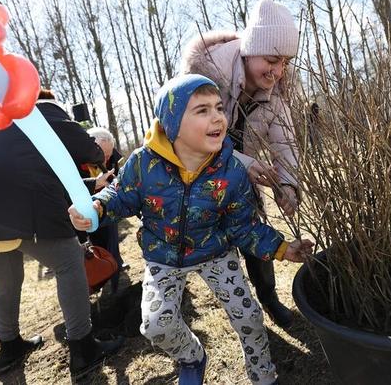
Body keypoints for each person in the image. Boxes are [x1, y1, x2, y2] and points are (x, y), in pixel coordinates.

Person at [68, 75, 313, 385]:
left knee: (249, 318)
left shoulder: (231, 171)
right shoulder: (143, 164)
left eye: (219, 108)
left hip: (216, 251)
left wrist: (281, 248)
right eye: (202, 110)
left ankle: (264, 375)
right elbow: (119, 196)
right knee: (156, 325)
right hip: (164, 258)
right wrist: (96, 209)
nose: (217, 117)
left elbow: (244, 226)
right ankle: (191, 356)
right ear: (172, 122)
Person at [0, 90, 123, 380]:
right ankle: (83, 347)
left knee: (6, 282)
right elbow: (86, 149)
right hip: (14, 201)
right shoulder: (39, 110)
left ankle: (10, 346)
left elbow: (38, 173)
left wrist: (91, 183)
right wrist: (97, 153)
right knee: (69, 262)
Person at [180, 0, 301, 328]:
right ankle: (242, 313)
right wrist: (245, 163)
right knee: (219, 254)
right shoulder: (205, 78)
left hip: (241, 178)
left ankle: (269, 298)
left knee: (256, 234)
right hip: (199, 175)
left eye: (285, 63)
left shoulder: (274, 93)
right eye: (271, 60)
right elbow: (195, 139)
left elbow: (284, 140)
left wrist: (288, 184)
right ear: (250, 50)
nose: (277, 72)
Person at [85, 126, 128, 292]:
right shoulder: (77, 159)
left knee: (111, 241)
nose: (106, 159)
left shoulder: (112, 159)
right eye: (104, 155)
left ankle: (115, 271)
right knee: (95, 246)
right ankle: (100, 275)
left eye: (109, 155)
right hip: (86, 210)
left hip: (108, 208)